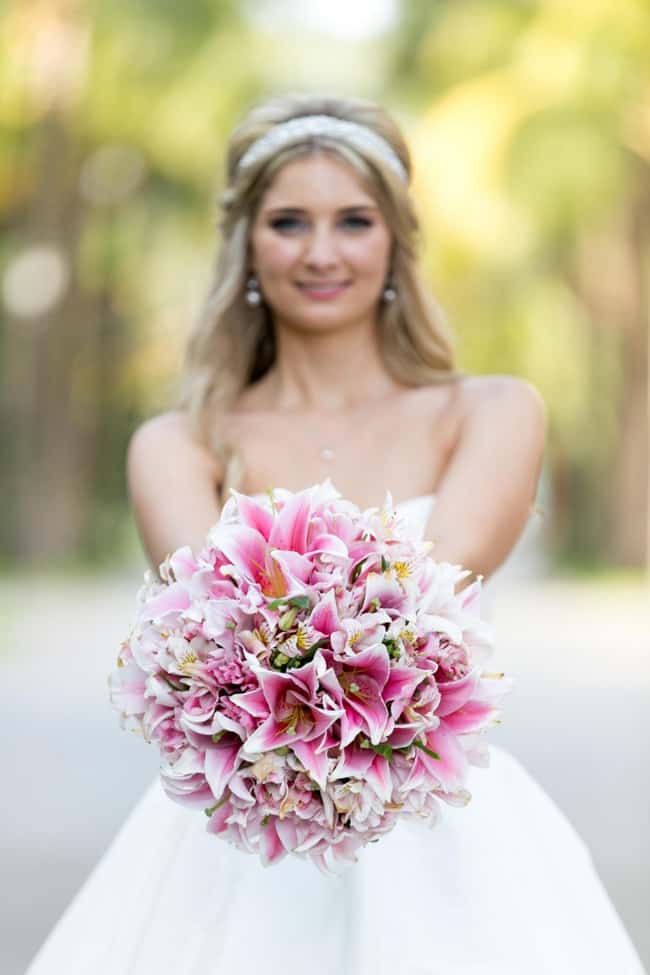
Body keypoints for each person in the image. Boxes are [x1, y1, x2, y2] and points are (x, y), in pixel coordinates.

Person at [26, 93, 646, 974]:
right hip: (235, 843)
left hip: (446, 835)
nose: (321, 252)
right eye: (289, 222)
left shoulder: (494, 412)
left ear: (396, 239)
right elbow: (209, 634)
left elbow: (428, 603)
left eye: (353, 220)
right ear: (246, 244)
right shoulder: (178, 443)